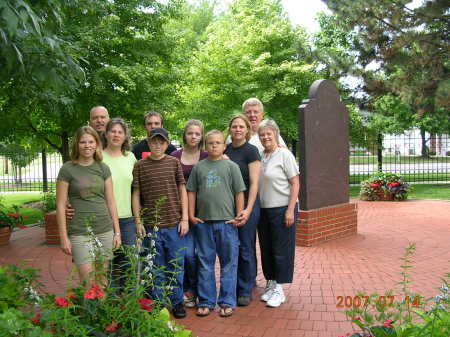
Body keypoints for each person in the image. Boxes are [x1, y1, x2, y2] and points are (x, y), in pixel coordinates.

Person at [187, 130, 246, 318]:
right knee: (205, 263)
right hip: (203, 223)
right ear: (205, 146)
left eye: (218, 143)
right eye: (210, 143)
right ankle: (206, 301)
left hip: (227, 224)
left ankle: (227, 301)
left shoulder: (231, 167)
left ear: (224, 145)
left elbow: (239, 193)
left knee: (229, 264)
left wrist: (238, 215)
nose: (214, 146)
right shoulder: (199, 167)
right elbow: (191, 192)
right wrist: (191, 215)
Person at [131, 128, 189, 319]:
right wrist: (138, 221)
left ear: (167, 143)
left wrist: (185, 218)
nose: (157, 145)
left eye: (161, 142)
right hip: (150, 226)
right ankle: (157, 301)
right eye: (154, 142)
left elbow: (182, 189)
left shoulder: (174, 163)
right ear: (148, 143)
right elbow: (136, 194)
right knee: (154, 265)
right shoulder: (140, 165)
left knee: (175, 264)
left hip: (173, 224)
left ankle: (177, 301)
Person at [56, 126, 121, 286]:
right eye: (83, 142)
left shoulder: (103, 168)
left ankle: (102, 311)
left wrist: (117, 232)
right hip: (80, 231)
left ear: (97, 144)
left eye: (91, 142)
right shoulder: (67, 169)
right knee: (88, 282)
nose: (87, 145)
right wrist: (63, 237)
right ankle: (90, 310)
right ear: (76, 145)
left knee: (103, 280)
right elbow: (60, 205)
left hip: (104, 229)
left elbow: (111, 201)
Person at [257, 119, 299, 308]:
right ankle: (271, 283)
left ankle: (280, 290)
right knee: (266, 249)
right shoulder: (260, 155)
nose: (266, 137)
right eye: (262, 134)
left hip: (282, 208)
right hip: (263, 210)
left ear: (275, 134)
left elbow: (295, 183)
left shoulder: (284, 154)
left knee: (281, 250)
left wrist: (290, 210)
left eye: (269, 133)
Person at [170, 120, 208, 308]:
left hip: (202, 212)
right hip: (180, 211)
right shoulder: (174, 156)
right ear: (184, 135)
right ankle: (188, 289)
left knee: (202, 255)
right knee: (186, 255)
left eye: (197, 134)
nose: (193, 136)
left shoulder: (208, 155)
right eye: (190, 133)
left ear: (202, 136)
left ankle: (201, 291)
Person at [224, 114, 261, 307]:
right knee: (232, 247)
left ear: (247, 130)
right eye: (234, 127)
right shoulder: (225, 149)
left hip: (249, 204)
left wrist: (248, 209)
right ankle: (234, 284)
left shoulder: (251, 151)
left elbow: (254, 183)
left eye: (241, 127)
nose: (237, 129)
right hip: (229, 206)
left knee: (245, 247)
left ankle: (245, 289)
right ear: (229, 130)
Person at [102, 118, 137, 290]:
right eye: (113, 131)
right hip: (105, 218)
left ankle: (130, 306)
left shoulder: (130, 157)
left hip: (127, 218)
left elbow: (137, 188)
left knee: (130, 264)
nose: (116, 135)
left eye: (120, 132)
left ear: (125, 136)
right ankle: (110, 306)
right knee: (108, 265)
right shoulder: (98, 156)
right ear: (106, 133)